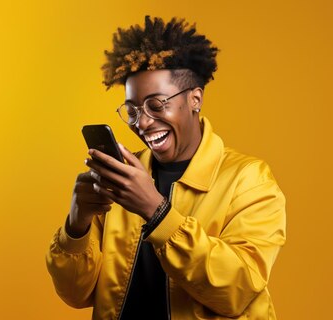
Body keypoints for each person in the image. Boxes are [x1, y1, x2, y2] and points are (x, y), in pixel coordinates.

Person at [45, 16, 286, 320]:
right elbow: (76, 294)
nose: (142, 123)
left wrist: (157, 213)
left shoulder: (249, 180)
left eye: (157, 106)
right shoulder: (122, 179)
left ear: (195, 99)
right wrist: (77, 225)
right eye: (132, 111)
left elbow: (236, 291)